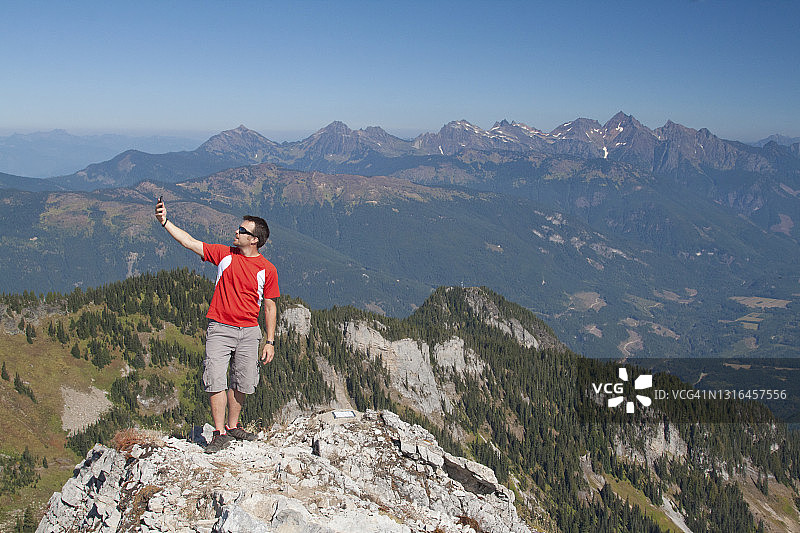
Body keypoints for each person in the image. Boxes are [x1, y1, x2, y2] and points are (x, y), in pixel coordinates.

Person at [155, 197, 279, 453]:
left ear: (254, 240)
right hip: (220, 329)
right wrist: (165, 222)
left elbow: (269, 306)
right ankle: (220, 432)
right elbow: (189, 242)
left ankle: (233, 427)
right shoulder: (224, 255)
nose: (237, 231)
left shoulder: (267, 269)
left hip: (249, 332)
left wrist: (270, 341)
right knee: (215, 379)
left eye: (242, 230)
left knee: (243, 382)